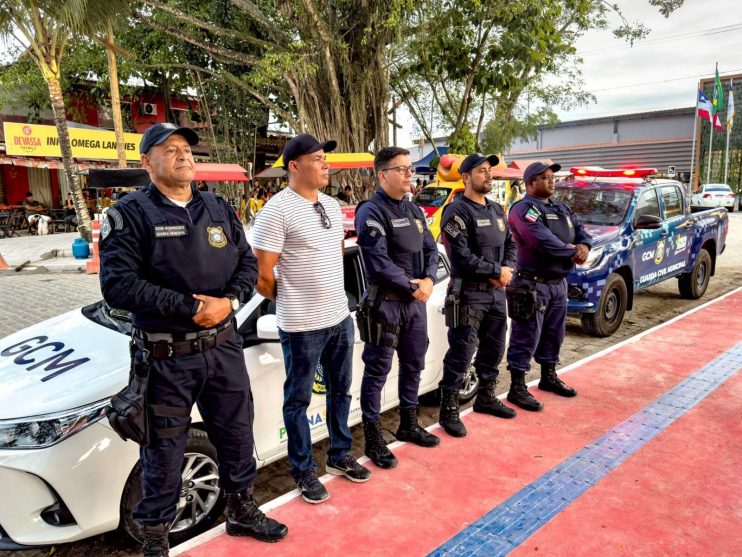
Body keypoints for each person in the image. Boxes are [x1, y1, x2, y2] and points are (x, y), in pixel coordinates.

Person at [99, 123, 287, 556]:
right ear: (147, 162)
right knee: (164, 451)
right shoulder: (129, 215)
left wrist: (229, 301)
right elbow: (118, 287)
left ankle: (241, 510)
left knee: (237, 435)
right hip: (167, 358)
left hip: (223, 348)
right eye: (169, 149)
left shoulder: (217, 207)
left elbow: (245, 262)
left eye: (186, 149)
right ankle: (155, 538)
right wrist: (189, 306)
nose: (183, 156)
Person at [251, 133, 371, 505]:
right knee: (298, 400)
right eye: (317, 158)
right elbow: (262, 274)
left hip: (339, 318)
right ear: (294, 166)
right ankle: (303, 471)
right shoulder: (276, 210)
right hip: (302, 326)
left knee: (340, 391)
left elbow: (336, 257)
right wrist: (293, 300)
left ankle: (339, 456)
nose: (325, 164)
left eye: (324, 158)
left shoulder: (332, 206)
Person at [354, 146, 440, 469]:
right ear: (382, 175)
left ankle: (409, 422)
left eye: (410, 169)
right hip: (386, 305)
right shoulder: (371, 212)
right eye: (401, 169)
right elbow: (378, 263)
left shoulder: (415, 211)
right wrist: (413, 285)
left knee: (413, 364)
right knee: (377, 372)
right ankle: (374, 438)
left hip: (414, 304)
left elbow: (431, 249)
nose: (409, 174)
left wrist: (430, 279)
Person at [437, 153, 517, 438]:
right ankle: (448, 410)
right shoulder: (456, 212)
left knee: (494, 349)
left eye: (489, 170)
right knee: (461, 353)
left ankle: (486, 397)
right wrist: (497, 270)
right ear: (466, 177)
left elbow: (511, 244)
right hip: (468, 294)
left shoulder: (496, 210)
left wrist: (508, 268)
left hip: (496, 294)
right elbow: (460, 258)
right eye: (481, 171)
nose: (488, 175)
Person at [505, 161, 592, 411]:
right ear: (529, 183)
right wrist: (572, 251)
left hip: (558, 284)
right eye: (544, 177)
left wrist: (584, 246)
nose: (551, 180)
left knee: (554, 334)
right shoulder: (523, 209)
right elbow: (541, 240)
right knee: (526, 335)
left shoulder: (560, 206)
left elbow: (580, 230)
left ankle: (548, 376)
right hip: (532, 284)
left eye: (552, 176)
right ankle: (517, 387)